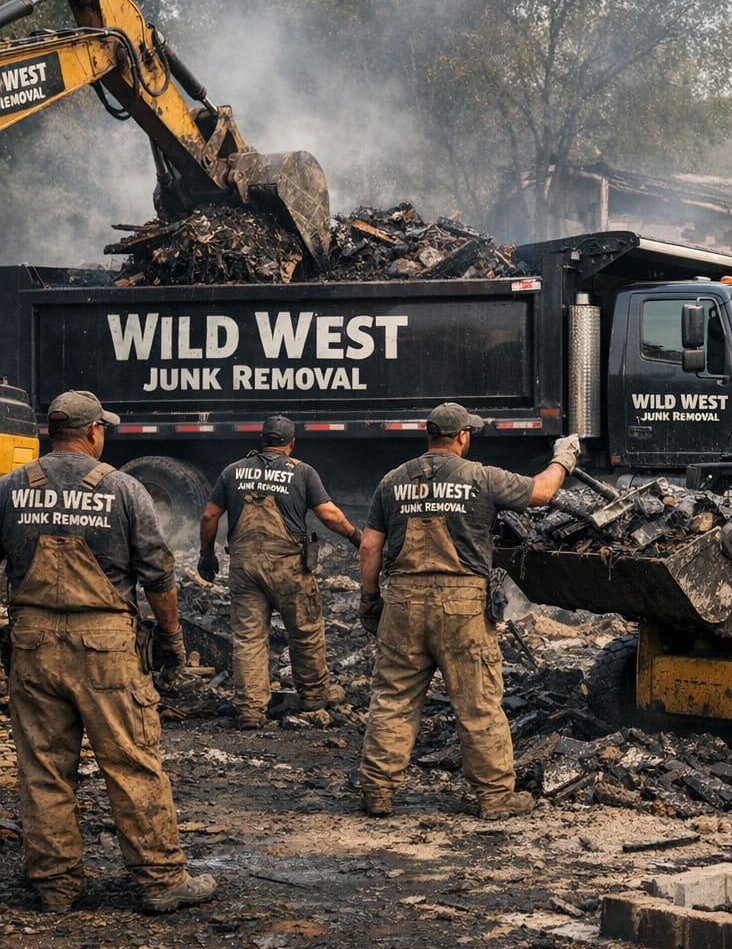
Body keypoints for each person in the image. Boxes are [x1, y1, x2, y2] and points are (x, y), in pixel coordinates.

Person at [0, 390, 215, 913]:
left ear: (53, 431)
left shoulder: (9, 487)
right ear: (94, 431)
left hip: (31, 645)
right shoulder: (122, 488)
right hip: (105, 650)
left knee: (44, 769)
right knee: (132, 762)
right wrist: (170, 640)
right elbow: (159, 574)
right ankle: (161, 881)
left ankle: (55, 885)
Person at [358, 401, 579, 821]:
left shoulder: (391, 482)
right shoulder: (481, 477)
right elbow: (542, 492)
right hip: (463, 606)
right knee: (478, 703)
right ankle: (495, 798)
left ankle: (378, 792)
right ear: (462, 437)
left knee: (392, 699)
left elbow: (370, 546)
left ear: (429, 436)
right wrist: (562, 458)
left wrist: (371, 601)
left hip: (403, 603)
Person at [198, 414, 362, 729]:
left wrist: (207, 554)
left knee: (248, 639)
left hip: (245, 566)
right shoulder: (302, 472)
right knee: (305, 632)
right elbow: (327, 513)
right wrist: (356, 537)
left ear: (262, 441)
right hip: (289, 567)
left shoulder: (232, 471)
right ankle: (313, 699)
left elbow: (209, 514)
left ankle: (250, 712)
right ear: (291, 443)